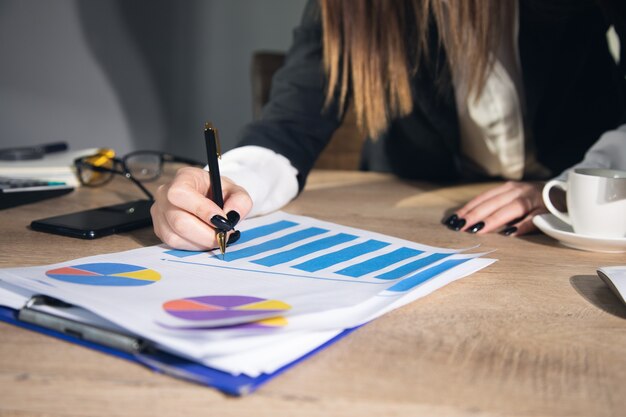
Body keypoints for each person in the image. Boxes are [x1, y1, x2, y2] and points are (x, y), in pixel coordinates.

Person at [151, 0, 626, 251]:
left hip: (577, 217)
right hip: (420, 210)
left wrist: (568, 188)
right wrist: (233, 184)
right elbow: (289, 126)